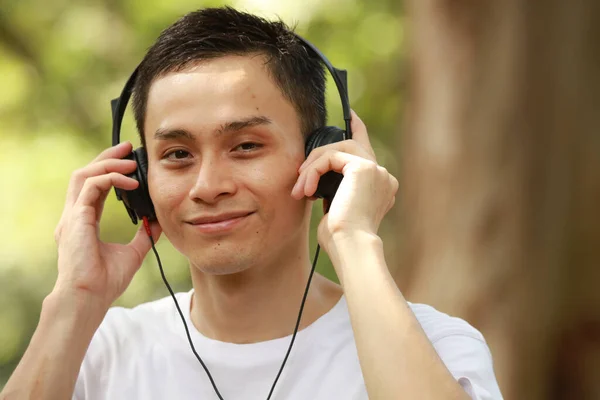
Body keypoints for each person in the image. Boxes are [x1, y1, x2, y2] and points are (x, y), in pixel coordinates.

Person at [1, 7, 503, 400]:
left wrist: (354, 241)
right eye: (177, 155)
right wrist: (75, 300)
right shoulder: (91, 350)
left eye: (245, 146)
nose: (208, 185)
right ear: (139, 180)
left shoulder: (434, 346)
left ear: (321, 155)